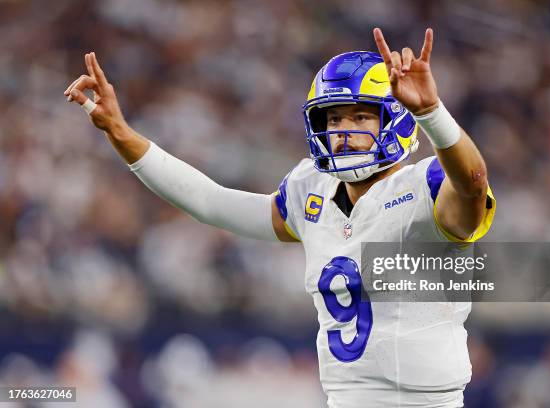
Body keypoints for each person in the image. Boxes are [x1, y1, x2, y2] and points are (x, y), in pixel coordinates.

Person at [65, 27, 496, 408]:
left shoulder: (428, 186)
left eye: (361, 116)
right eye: (333, 118)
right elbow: (211, 202)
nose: (343, 131)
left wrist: (433, 113)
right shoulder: (312, 190)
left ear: (398, 119)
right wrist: (122, 134)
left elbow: (473, 182)